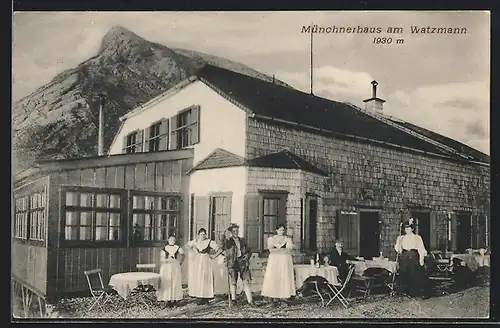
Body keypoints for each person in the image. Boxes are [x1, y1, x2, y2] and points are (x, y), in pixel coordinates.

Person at [394, 219, 429, 299]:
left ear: (412, 229)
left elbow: (421, 248)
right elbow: (398, 250)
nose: (407, 230)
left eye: (409, 228)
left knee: (415, 273)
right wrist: (398, 242)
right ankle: (407, 292)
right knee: (405, 273)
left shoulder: (417, 237)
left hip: (414, 256)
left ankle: (416, 292)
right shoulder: (401, 238)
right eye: (406, 228)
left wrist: (421, 259)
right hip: (405, 256)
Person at [185, 228, 221, 305]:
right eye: (201, 234)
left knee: (206, 279)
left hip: (206, 261)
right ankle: (199, 297)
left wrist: (214, 256)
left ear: (206, 235)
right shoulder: (196, 241)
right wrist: (193, 251)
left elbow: (218, 249)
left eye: (204, 234)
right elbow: (187, 246)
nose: (203, 236)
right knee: (199, 278)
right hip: (198, 261)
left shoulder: (209, 242)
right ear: (198, 235)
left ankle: (206, 297)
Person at [261, 224, 296, 303]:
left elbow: (288, 250)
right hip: (274, 260)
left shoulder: (287, 239)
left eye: (283, 230)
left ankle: (284, 295)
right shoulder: (271, 239)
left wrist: (277, 250)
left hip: (284, 260)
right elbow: (271, 250)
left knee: (284, 276)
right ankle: (273, 295)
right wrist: (281, 250)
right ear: (276, 230)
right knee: (274, 276)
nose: (281, 232)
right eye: (280, 230)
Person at [222, 223, 254, 306]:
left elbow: (249, 250)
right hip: (232, 262)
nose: (235, 232)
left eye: (237, 231)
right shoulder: (228, 241)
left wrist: (247, 256)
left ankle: (250, 301)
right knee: (233, 281)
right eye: (234, 231)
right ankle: (233, 299)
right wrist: (223, 234)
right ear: (231, 232)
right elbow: (222, 245)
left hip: (242, 262)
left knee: (246, 280)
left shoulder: (243, 240)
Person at [156, 235, 185, 306]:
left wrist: (180, 262)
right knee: (167, 282)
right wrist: (167, 260)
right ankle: (167, 299)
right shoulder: (164, 248)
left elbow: (183, 254)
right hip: (166, 267)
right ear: (168, 240)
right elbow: (162, 259)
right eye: (171, 239)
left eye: (174, 240)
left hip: (175, 267)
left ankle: (175, 299)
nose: (172, 241)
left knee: (174, 281)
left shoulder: (177, 248)